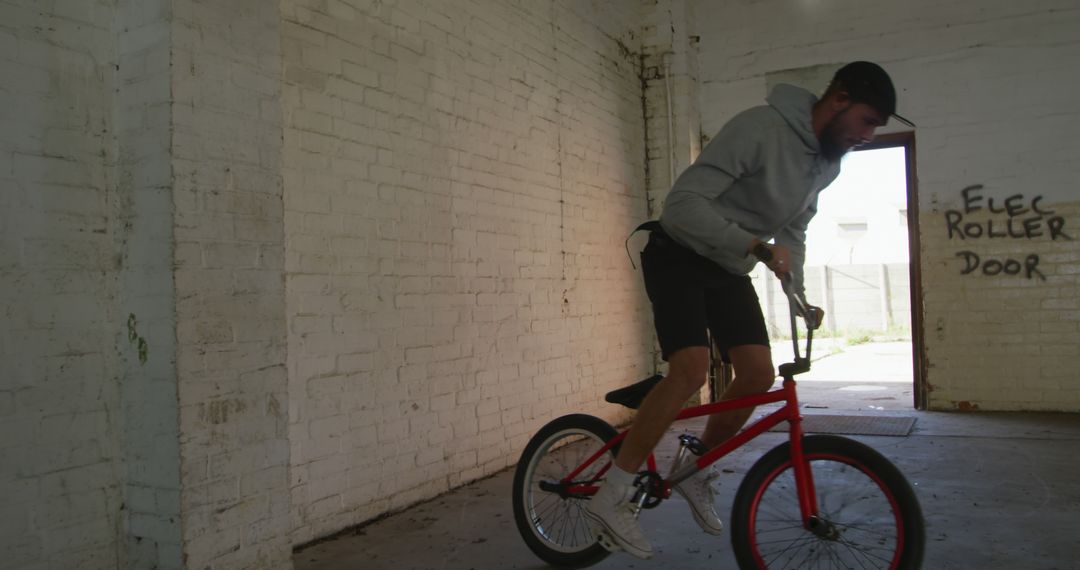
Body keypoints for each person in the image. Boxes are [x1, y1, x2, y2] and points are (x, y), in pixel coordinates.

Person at [583, 61, 913, 559]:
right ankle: (612, 494)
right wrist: (756, 245)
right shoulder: (759, 128)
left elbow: (796, 232)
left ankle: (698, 466)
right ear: (840, 99)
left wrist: (798, 295)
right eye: (867, 121)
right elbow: (682, 206)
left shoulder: (827, 163)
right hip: (678, 251)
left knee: (757, 374)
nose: (867, 135)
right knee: (690, 369)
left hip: (729, 266)